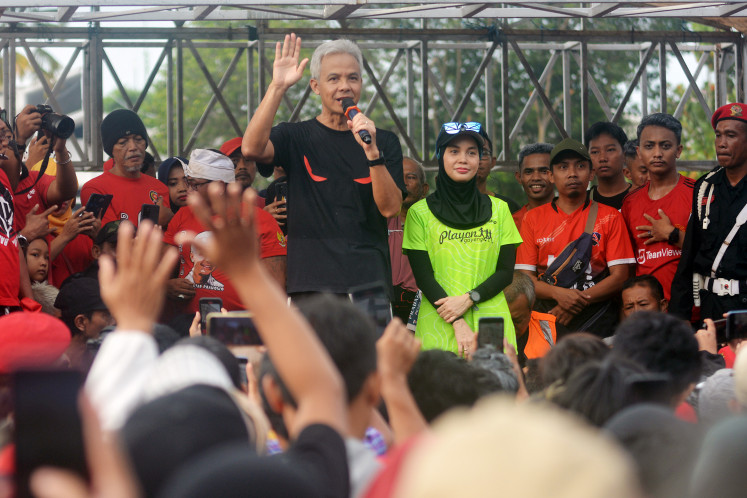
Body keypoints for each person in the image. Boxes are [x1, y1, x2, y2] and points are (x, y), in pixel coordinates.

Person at [242, 34, 405, 299]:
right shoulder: (295, 136)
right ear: (315, 86)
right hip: (310, 283)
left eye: (353, 78)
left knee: (369, 344)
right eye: (334, 79)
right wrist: (277, 87)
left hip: (369, 284)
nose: (345, 86)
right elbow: (251, 149)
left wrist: (373, 152)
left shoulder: (382, 140)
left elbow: (390, 208)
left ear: (361, 83)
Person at [403, 122, 522, 356]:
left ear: (479, 160)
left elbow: (505, 272)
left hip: (491, 321)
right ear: (440, 156)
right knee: (440, 390)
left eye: (472, 152)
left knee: (492, 387)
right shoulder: (419, 213)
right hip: (439, 320)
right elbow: (423, 277)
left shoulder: (500, 210)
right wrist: (457, 319)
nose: (463, 159)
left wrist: (469, 299)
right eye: (454, 151)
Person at [516, 138, 635, 338]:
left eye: (580, 166)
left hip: (598, 318)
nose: (572, 173)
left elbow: (620, 276)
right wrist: (558, 294)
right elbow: (525, 280)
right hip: (549, 315)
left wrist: (575, 302)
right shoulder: (532, 219)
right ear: (551, 176)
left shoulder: (611, 216)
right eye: (563, 167)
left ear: (591, 174)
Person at [163, 149, 287, 315]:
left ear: (219, 186)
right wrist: (167, 286)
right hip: (187, 322)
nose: (188, 189)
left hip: (240, 323)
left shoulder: (260, 220)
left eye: (194, 184)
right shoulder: (182, 215)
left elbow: (276, 288)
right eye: (188, 182)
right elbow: (163, 269)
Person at [671, 102, 747, 322]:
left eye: (731, 136)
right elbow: (689, 257)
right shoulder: (705, 187)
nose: (721, 144)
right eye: (718, 135)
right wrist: (679, 319)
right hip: (710, 309)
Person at [621, 113, 693, 301]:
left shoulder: (699, 193)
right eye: (649, 146)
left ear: (678, 150)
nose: (657, 153)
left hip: (690, 313)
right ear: (639, 152)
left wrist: (672, 234)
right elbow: (628, 265)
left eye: (666, 146)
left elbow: (714, 252)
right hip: (647, 315)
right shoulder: (630, 202)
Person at [81, 109, 172, 227]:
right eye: (123, 142)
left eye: (138, 139)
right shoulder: (96, 190)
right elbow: (108, 243)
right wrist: (159, 222)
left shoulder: (159, 188)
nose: (133, 147)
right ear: (111, 150)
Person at [12, 104, 78, 232]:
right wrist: (20, 140)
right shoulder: (20, 174)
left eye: (7, 137)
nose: (5, 142)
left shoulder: (36, 177)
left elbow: (66, 192)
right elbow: (10, 186)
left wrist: (61, 150)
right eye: (5, 138)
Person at [388, 157, 429, 322]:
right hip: (384, 303)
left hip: (421, 304)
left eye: (411, 177)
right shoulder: (375, 220)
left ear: (424, 189)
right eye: (397, 176)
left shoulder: (434, 223)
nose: (403, 182)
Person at [504, 271, 557, 364]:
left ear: (531, 308)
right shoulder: (476, 334)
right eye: (502, 321)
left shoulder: (551, 330)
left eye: (516, 321)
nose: (509, 328)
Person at [586, 121, 632, 210]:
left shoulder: (641, 197)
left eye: (610, 150)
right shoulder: (582, 202)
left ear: (624, 155)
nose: (602, 158)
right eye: (595, 152)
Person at [512, 142, 554, 230]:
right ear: (519, 177)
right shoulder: (512, 224)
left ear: (555, 175)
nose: (536, 178)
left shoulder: (572, 216)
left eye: (544, 171)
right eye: (528, 172)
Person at [475, 131, 521, 212]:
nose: (477, 159)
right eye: (470, 153)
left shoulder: (509, 208)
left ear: (492, 162)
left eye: (484, 153)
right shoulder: (445, 206)